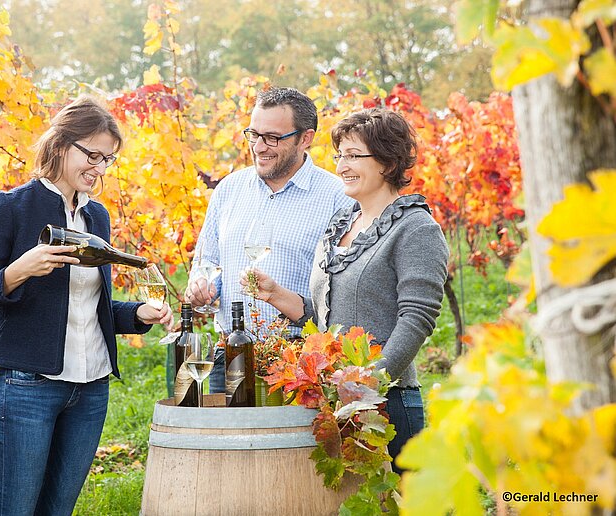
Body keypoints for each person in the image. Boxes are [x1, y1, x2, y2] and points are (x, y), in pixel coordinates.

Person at [0, 95, 172, 515]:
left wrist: (137, 314)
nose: (100, 167)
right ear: (59, 145)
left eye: (108, 159)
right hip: (28, 387)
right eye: (92, 154)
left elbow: (87, 306)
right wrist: (19, 270)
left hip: (91, 389)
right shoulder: (11, 207)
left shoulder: (98, 218)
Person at [241, 108, 449, 471]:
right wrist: (276, 294)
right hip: (334, 401)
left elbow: (417, 318)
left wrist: (368, 385)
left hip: (387, 403)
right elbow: (325, 317)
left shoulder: (416, 228)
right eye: (340, 156)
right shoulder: (340, 225)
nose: (341, 167)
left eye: (353, 156)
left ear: (387, 161)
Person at [184, 87, 353, 393]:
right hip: (229, 353)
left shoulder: (337, 198)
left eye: (272, 137)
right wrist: (202, 284)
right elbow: (207, 260)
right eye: (254, 134)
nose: (259, 147)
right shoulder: (229, 190)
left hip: (299, 360)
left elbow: (343, 292)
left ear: (305, 138)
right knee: (227, 441)